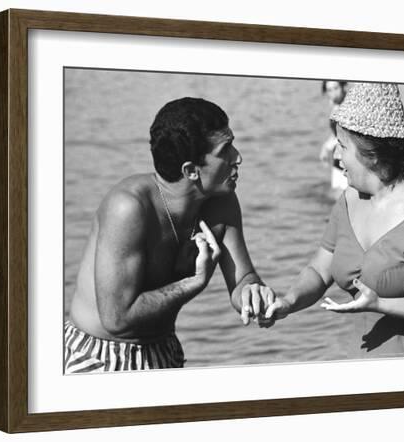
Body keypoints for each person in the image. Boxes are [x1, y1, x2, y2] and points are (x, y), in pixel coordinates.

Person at [64, 97, 275, 373]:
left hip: (165, 352)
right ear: (190, 170)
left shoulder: (221, 200)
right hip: (98, 358)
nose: (238, 157)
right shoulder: (128, 207)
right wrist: (194, 282)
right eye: (226, 150)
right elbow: (117, 318)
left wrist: (253, 293)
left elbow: (242, 278)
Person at [266, 83, 404, 358]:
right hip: (356, 364)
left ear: (371, 153)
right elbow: (319, 270)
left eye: (342, 147)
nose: (336, 157)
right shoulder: (347, 201)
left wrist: (380, 303)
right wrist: (287, 301)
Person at [318, 80, 348, 199]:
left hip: (348, 160)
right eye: (329, 90)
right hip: (337, 157)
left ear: (343, 86)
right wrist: (326, 145)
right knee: (337, 196)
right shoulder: (336, 106)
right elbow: (335, 133)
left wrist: (327, 147)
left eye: (336, 88)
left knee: (343, 198)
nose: (333, 93)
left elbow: (346, 134)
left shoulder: (348, 106)